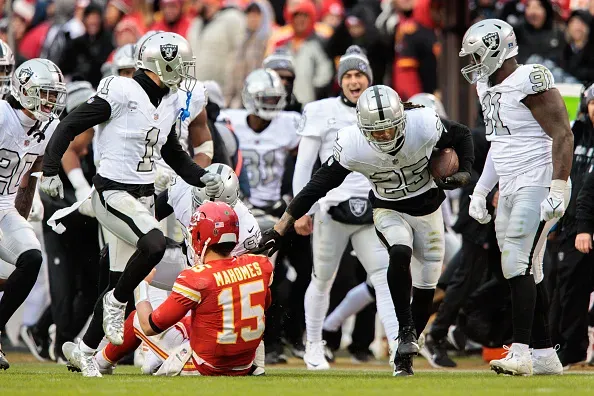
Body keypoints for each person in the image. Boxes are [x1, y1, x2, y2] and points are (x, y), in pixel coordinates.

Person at [255, 84, 474, 376]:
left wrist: (465, 171)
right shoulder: (353, 143)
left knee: (425, 288)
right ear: (361, 126)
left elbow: (462, 135)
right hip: (389, 208)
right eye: (376, 131)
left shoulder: (423, 123)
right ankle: (404, 331)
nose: (383, 135)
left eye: (389, 128)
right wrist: (282, 227)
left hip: (428, 209)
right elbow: (317, 185)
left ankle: (404, 353)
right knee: (398, 251)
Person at [39, 32, 224, 371]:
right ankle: (115, 301)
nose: (185, 71)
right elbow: (70, 124)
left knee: (117, 279)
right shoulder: (121, 90)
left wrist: (201, 176)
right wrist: (50, 169)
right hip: (112, 193)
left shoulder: (168, 100)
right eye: (180, 64)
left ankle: (84, 350)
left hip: (142, 197)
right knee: (152, 246)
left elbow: (173, 153)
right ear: (162, 64)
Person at [460, 19, 573, 376]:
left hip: (538, 181)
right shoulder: (485, 85)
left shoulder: (530, 78)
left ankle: (521, 351)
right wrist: (481, 189)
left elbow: (564, 134)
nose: (473, 63)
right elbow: (499, 144)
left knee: (517, 263)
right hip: (509, 184)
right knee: (530, 269)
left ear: (497, 49)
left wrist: (558, 186)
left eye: (477, 54)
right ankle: (543, 354)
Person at [292, 45, 398, 370]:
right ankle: (313, 344)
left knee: (383, 277)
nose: (354, 81)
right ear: (340, 81)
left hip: (372, 208)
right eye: (349, 75)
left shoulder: (385, 105)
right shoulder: (321, 110)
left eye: (360, 74)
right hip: (331, 208)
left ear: (369, 78)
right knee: (322, 278)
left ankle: (397, 347)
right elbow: (304, 165)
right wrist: (301, 210)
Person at [99, 201, 272, 376]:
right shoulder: (259, 264)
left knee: (138, 317)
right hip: (243, 364)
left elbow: (149, 326)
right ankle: (258, 366)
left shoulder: (197, 277)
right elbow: (263, 307)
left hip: (205, 365)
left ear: (200, 236)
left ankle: (101, 362)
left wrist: (140, 284)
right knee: (189, 322)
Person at [0, 58, 67, 370]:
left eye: (54, 95)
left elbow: (31, 176)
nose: (51, 101)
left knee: (32, 258)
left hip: (3, 207)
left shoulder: (49, 127)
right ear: (25, 89)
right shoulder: (2, 115)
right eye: (46, 93)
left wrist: (22, 219)